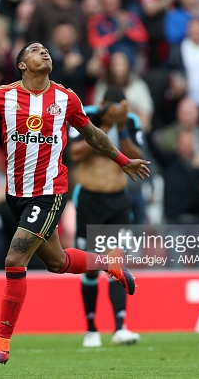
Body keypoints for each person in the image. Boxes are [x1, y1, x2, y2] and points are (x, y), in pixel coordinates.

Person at [0, 41, 150, 367]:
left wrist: (122, 160)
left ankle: (0, 343)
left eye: (45, 50)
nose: (43, 52)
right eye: (35, 50)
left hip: (50, 192)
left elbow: (91, 135)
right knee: (58, 262)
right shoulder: (1, 97)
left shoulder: (66, 97)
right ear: (22, 65)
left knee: (15, 258)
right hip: (16, 195)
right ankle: (109, 262)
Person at [69, 87, 143, 347]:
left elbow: (136, 157)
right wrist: (105, 125)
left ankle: (120, 327)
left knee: (117, 264)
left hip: (118, 201)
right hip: (90, 198)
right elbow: (75, 153)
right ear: (101, 104)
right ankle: (91, 329)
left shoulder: (131, 120)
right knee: (90, 266)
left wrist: (120, 127)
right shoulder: (85, 115)